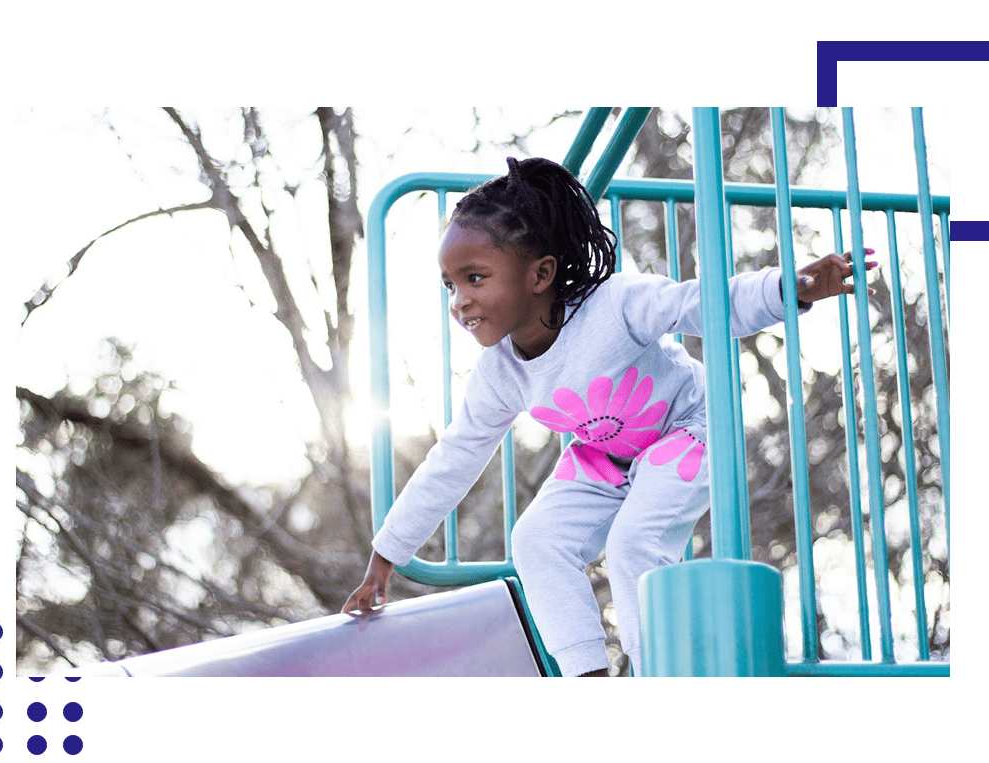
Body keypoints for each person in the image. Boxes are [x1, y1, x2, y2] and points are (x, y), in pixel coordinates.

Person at [342, 157, 876, 677]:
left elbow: (703, 304)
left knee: (631, 544)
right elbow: (454, 458)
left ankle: (658, 674)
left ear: (540, 273)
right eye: (450, 285)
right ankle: (586, 675)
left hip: (688, 428)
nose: (459, 301)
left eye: (475, 278)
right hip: (605, 455)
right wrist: (386, 554)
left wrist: (788, 288)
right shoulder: (499, 372)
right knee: (535, 540)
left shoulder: (617, 303)